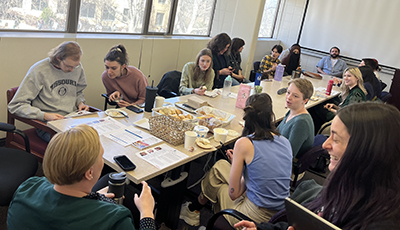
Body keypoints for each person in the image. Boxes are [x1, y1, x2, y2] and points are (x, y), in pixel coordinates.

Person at [235, 102, 400, 230]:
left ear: (366, 150)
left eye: (335, 139)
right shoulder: (346, 188)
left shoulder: (381, 222)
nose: (325, 145)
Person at [7, 124, 156, 230]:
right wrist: (147, 213)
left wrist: (94, 197)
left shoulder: (27, 187)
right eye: (101, 157)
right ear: (89, 173)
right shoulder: (115, 219)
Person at [179, 93, 293, 227]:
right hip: (281, 213)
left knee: (219, 186)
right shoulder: (285, 141)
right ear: (270, 115)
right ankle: (194, 210)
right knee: (220, 165)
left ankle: (195, 211)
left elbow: (235, 193)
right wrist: (241, 165)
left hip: (255, 216)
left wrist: (241, 167)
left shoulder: (245, 143)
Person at [8, 41, 90, 142]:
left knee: (93, 139)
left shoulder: (77, 67)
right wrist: (45, 115)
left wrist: (80, 102)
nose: (72, 70)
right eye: (69, 66)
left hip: (72, 119)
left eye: (75, 66)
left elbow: (78, 91)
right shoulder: (39, 71)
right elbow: (16, 105)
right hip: (48, 125)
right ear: (58, 58)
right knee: (76, 145)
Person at [277, 78, 314, 159]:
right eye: (288, 92)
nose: (288, 97)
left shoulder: (301, 122)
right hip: (277, 150)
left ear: (305, 100)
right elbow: (277, 133)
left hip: (283, 162)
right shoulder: (292, 110)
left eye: (295, 96)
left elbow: (289, 155)